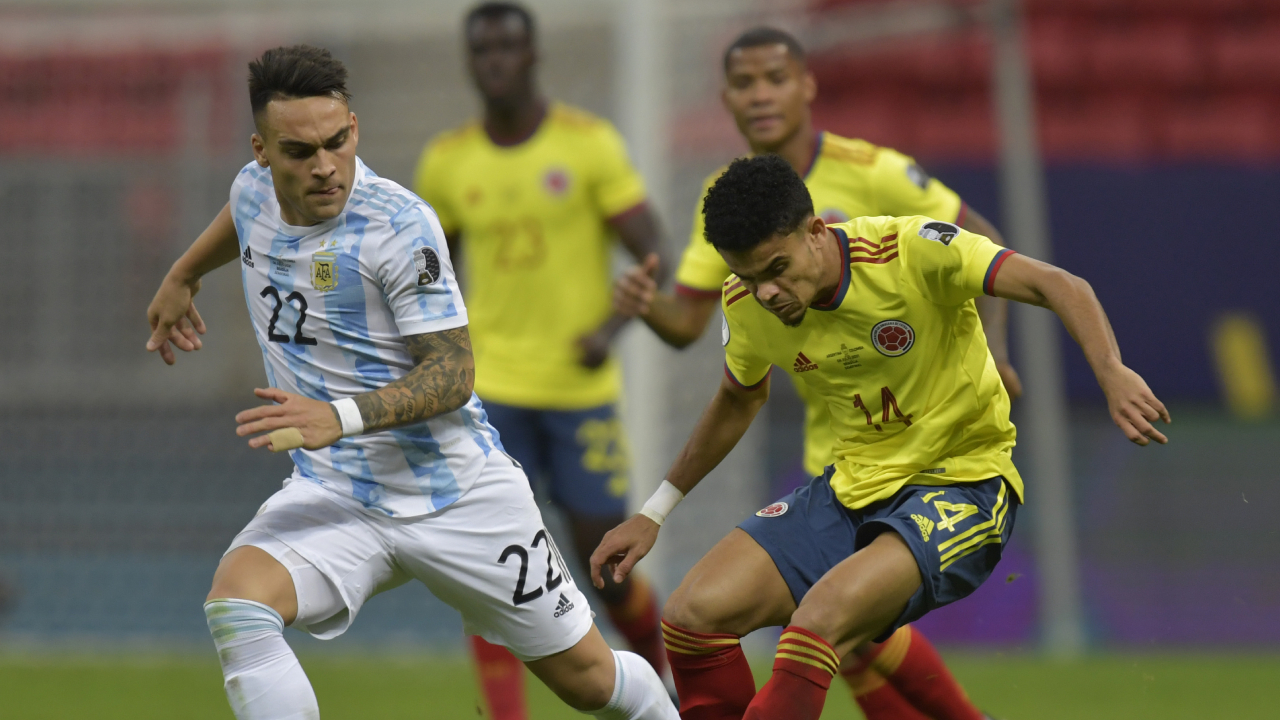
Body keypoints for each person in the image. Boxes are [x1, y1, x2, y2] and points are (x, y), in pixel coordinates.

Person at [145, 44, 677, 720]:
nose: (324, 165)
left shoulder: (398, 226)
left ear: (355, 127)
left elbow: (453, 374)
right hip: (339, 494)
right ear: (262, 151)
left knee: (589, 683)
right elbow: (243, 213)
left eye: (337, 142)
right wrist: (184, 273)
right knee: (238, 603)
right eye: (299, 152)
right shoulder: (253, 189)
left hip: (459, 497)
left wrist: (339, 416)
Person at [592, 155, 1170, 720]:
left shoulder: (910, 251)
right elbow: (739, 398)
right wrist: (656, 510)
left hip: (964, 483)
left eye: (775, 269)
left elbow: (1057, 283)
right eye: (747, 276)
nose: (765, 292)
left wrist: (1111, 371)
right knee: (693, 615)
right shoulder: (746, 304)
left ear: (816, 231)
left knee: (817, 623)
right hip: (851, 489)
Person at [612, 26, 1013, 720]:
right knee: (840, 637)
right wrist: (650, 311)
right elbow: (697, 330)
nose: (760, 95)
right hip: (839, 456)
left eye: (774, 78)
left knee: (837, 631)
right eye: (744, 83)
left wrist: (996, 353)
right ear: (726, 99)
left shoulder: (873, 172)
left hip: (928, 446)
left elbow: (978, 247)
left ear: (806, 86)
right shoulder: (728, 205)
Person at [414, 4, 673, 717]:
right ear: (470, 62)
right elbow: (428, 277)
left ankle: (666, 686)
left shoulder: (588, 146)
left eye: (509, 47)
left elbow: (656, 253)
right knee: (488, 565)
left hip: (577, 389)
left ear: (533, 57)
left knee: (608, 565)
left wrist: (613, 328)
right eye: (483, 49)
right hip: (489, 393)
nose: (496, 60)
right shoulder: (447, 160)